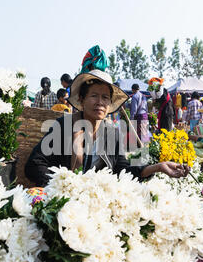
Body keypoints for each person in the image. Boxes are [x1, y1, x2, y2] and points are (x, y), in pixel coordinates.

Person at [25, 69, 190, 187]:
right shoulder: (65, 126)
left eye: (105, 98)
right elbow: (34, 164)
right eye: (94, 96)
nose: (100, 102)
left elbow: (122, 171)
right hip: (66, 204)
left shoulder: (111, 134)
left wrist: (157, 167)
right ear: (82, 100)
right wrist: (64, 186)